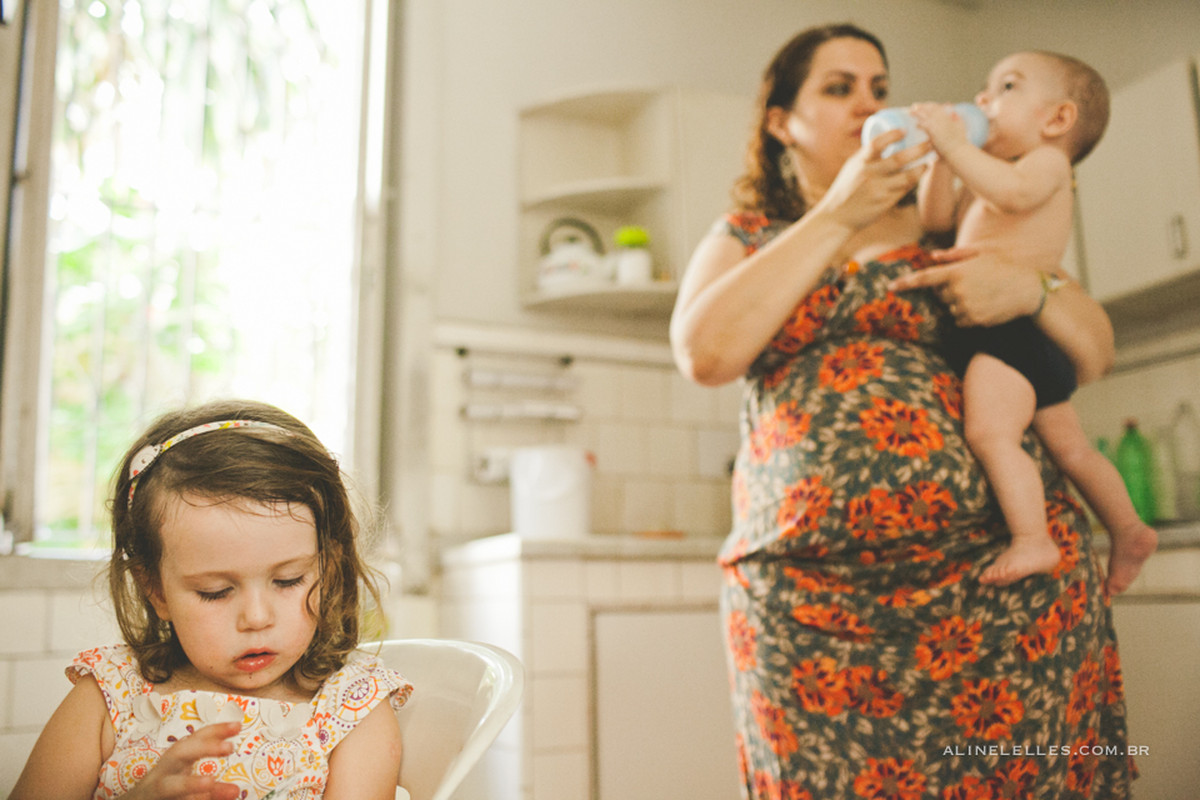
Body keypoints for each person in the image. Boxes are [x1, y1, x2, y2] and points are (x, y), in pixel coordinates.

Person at [670, 23, 1135, 800]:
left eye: (880, 88)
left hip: (997, 593)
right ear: (781, 122)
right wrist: (840, 215)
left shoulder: (955, 215)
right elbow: (705, 355)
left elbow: (1095, 352)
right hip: (811, 606)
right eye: (838, 86)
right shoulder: (750, 236)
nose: (868, 103)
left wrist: (1036, 290)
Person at [9, 400, 411, 800]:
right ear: (156, 590)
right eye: (214, 592)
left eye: (288, 580)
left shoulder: (351, 706)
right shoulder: (110, 693)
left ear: (329, 568)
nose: (256, 618)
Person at [910, 51, 1157, 590]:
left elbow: (1013, 193)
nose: (982, 100)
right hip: (1018, 335)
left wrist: (954, 144)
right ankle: (1129, 528)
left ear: (1057, 120)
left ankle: (1032, 540)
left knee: (991, 432)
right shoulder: (990, 176)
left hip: (1010, 333)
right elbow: (934, 221)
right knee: (1070, 449)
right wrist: (940, 160)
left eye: (1006, 87)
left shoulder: (1046, 164)